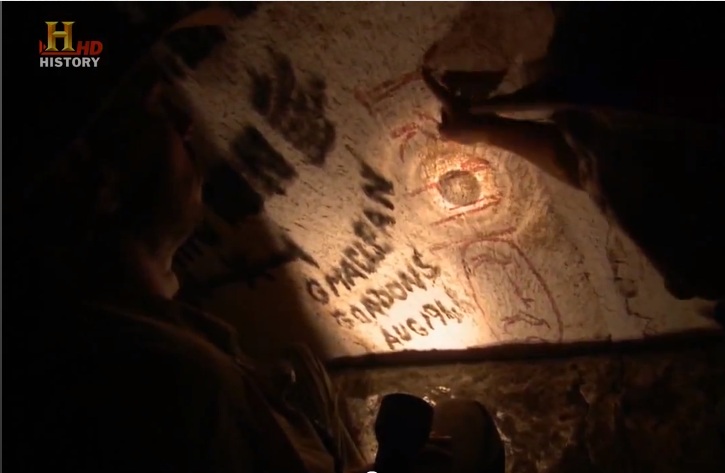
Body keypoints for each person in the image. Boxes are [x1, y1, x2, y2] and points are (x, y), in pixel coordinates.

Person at [8, 4, 504, 473]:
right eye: (157, 107)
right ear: (97, 176)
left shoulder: (161, 336)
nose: (186, 122)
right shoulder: (162, 382)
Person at [421, 5, 725, 473]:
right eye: (589, 155)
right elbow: (588, 167)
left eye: (605, 158)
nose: (601, 194)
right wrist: (488, 129)